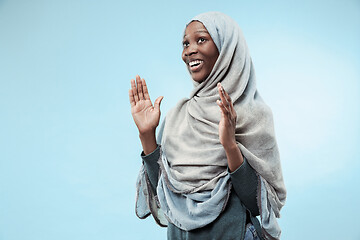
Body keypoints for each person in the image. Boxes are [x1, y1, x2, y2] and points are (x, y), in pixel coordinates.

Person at [129, 12, 286, 240]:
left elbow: (256, 204)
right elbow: (163, 195)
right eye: (185, 43)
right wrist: (147, 136)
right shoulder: (177, 116)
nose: (189, 50)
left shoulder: (252, 115)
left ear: (226, 48)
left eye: (201, 39)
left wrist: (230, 145)